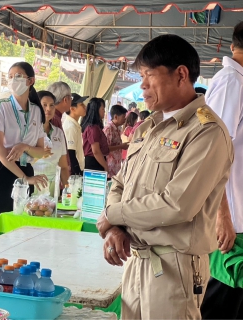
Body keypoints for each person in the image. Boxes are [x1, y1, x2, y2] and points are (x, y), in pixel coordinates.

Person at [96, 34, 234, 319]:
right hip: (136, 258)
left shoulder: (206, 132)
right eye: (140, 75)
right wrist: (115, 227)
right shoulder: (149, 128)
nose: (143, 85)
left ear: (181, 74)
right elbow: (121, 182)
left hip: (175, 267)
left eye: (149, 75)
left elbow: (177, 204)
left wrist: (114, 214)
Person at [201, 21, 243, 320]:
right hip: (232, 220)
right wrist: (221, 215)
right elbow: (211, 151)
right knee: (225, 298)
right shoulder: (232, 82)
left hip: (238, 216)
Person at [0, 62, 49, 238]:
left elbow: (41, 151)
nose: (13, 80)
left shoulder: (36, 110)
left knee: (22, 230)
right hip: (2, 169)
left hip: (26, 169)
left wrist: (25, 147)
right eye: (10, 76)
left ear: (30, 81)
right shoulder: (1, 105)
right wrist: (25, 178)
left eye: (18, 76)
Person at [32, 90, 69, 196]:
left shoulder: (58, 132)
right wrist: (38, 154)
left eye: (52, 105)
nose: (48, 109)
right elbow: (21, 162)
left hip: (53, 186)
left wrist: (67, 191)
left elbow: (64, 166)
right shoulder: (29, 131)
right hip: (33, 183)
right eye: (44, 105)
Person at [81, 98, 109, 172]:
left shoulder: (95, 127)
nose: (104, 111)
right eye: (103, 109)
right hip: (94, 162)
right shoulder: (93, 128)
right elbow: (96, 151)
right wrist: (105, 166)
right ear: (96, 110)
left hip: (96, 160)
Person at [63, 93, 88, 175]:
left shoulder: (74, 125)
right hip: (74, 171)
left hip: (78, 168)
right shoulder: (70, 127)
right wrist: (77, 174)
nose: (85, 107)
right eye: (81, 104)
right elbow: (71, 154)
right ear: (72, 109)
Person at [103, 104, 129, 179]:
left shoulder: (117, 128)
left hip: (116, 165)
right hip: (109, 166)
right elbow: (106, 148)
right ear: (115, 117)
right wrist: (121, 146)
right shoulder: (108, 129)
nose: (125, 119)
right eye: (123, 117)